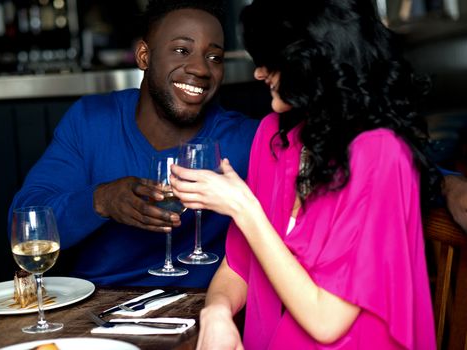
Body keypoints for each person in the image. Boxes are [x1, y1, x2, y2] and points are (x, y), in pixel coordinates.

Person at [170, 0, 438, 348]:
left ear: (312, 59)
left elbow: (326, 322)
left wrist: (243, 207)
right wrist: (217, 313)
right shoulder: (275, 136)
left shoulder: (380, 153)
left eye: (269, 59)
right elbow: (237, 266)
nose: (258, 73)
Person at [8, 0, 259, 288]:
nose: (201, 69)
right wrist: (101, 200)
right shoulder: (91, 121)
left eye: (214, 57)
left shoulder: (246, 138)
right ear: (144, 56)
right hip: (98, 310)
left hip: (203, 306)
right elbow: (28, 223)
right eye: (181, 50)